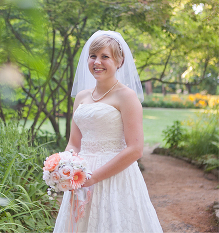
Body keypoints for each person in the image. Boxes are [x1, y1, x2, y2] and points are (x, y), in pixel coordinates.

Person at [54, 31, 162, 232]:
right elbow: (74, 142)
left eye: (105, 57)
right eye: (93, 56)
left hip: (115, 177)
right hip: (80, 177)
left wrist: (93, 177)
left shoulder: (127, 97)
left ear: (119, 61)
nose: (97, 62)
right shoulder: (82, 97)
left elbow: (135, 149)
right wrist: (66, 166)